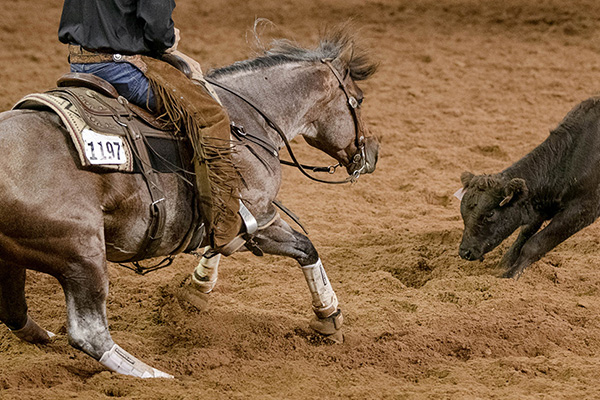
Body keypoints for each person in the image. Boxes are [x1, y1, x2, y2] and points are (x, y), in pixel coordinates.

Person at [58, 0, 246, 254]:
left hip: (80, 62)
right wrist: (169, 39)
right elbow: (157, 30)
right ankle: (223, 226)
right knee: (211, 118)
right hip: (122, 68)